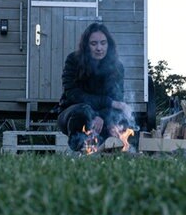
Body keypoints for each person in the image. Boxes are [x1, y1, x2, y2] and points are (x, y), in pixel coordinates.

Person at [57, 22, 133, 151]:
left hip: (104, 117)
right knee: (83, 112)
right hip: (73, 114)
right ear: (87, 45)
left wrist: (101, 115)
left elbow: (117, 98)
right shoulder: (73, 60)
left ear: (109, 44)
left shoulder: (117, 67)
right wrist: (95, 113)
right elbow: (73, 94)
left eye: (103, 43)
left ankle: (112, 149)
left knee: (121, 117)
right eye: (94, 43)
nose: (99, 48)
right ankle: (80, 149)